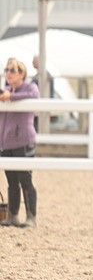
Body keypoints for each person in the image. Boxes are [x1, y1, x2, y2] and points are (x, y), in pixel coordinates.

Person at [0, 58, 39, 228]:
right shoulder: (5, 92)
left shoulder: (30, 87)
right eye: (7, 70)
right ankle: (13, 215)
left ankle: (31, 216)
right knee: (12, 181)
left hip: (23, 141)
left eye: (12, 70)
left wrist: (12, 97)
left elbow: (34, 96)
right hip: (6, 142)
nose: (8, 73)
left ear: (21, 73)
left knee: (26, 179)